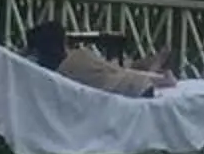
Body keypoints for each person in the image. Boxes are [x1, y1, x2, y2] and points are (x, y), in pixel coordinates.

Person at [22, 20, 181, 99]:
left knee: (115, 69)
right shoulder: (76, 59)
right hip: (134, 88)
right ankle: (154, 71)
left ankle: (150, 68)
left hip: (119, 82)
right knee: (117, 70)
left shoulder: (46, 72)